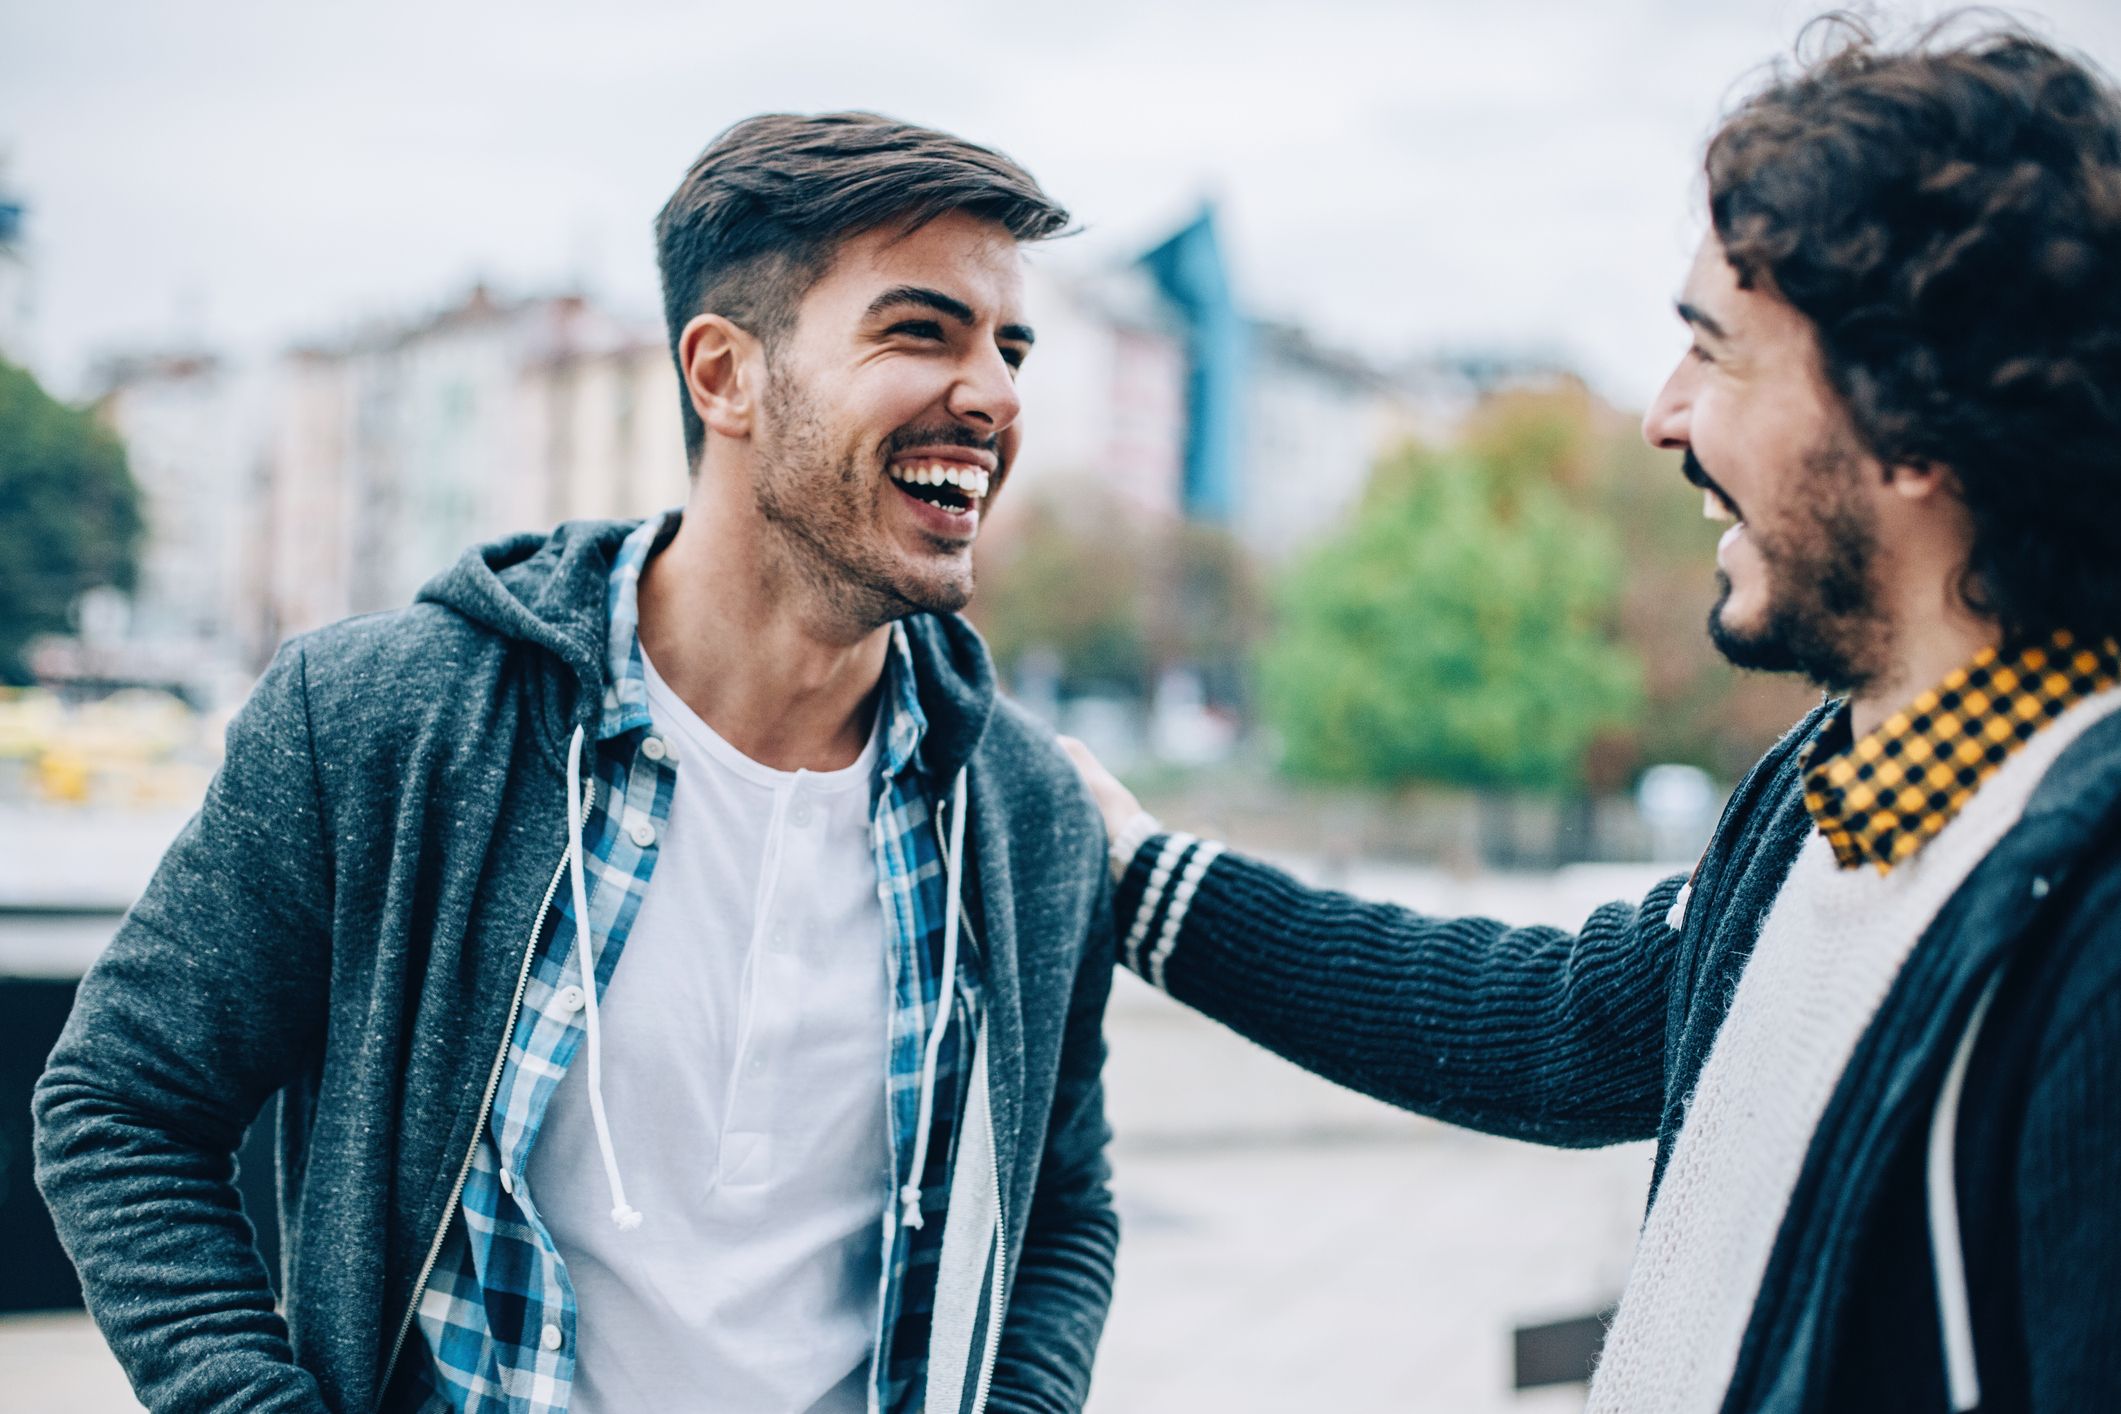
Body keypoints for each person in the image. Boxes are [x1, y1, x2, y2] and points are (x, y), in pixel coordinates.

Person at [1066, 20, 2121, 1412]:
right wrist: (1135, 872)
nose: (1661, 417)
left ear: (1913, 422)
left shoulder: (2088, 920)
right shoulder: (1825, 800)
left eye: (1715, 353)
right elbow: (1560, 1021)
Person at [37, 112, 1118, 1414]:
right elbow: (120, 1107)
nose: (996, 395)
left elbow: (1056, 1208)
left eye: (1010, 347)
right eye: (921, 331)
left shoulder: (1022, 811)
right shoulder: (384, 717)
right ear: (725, 375)